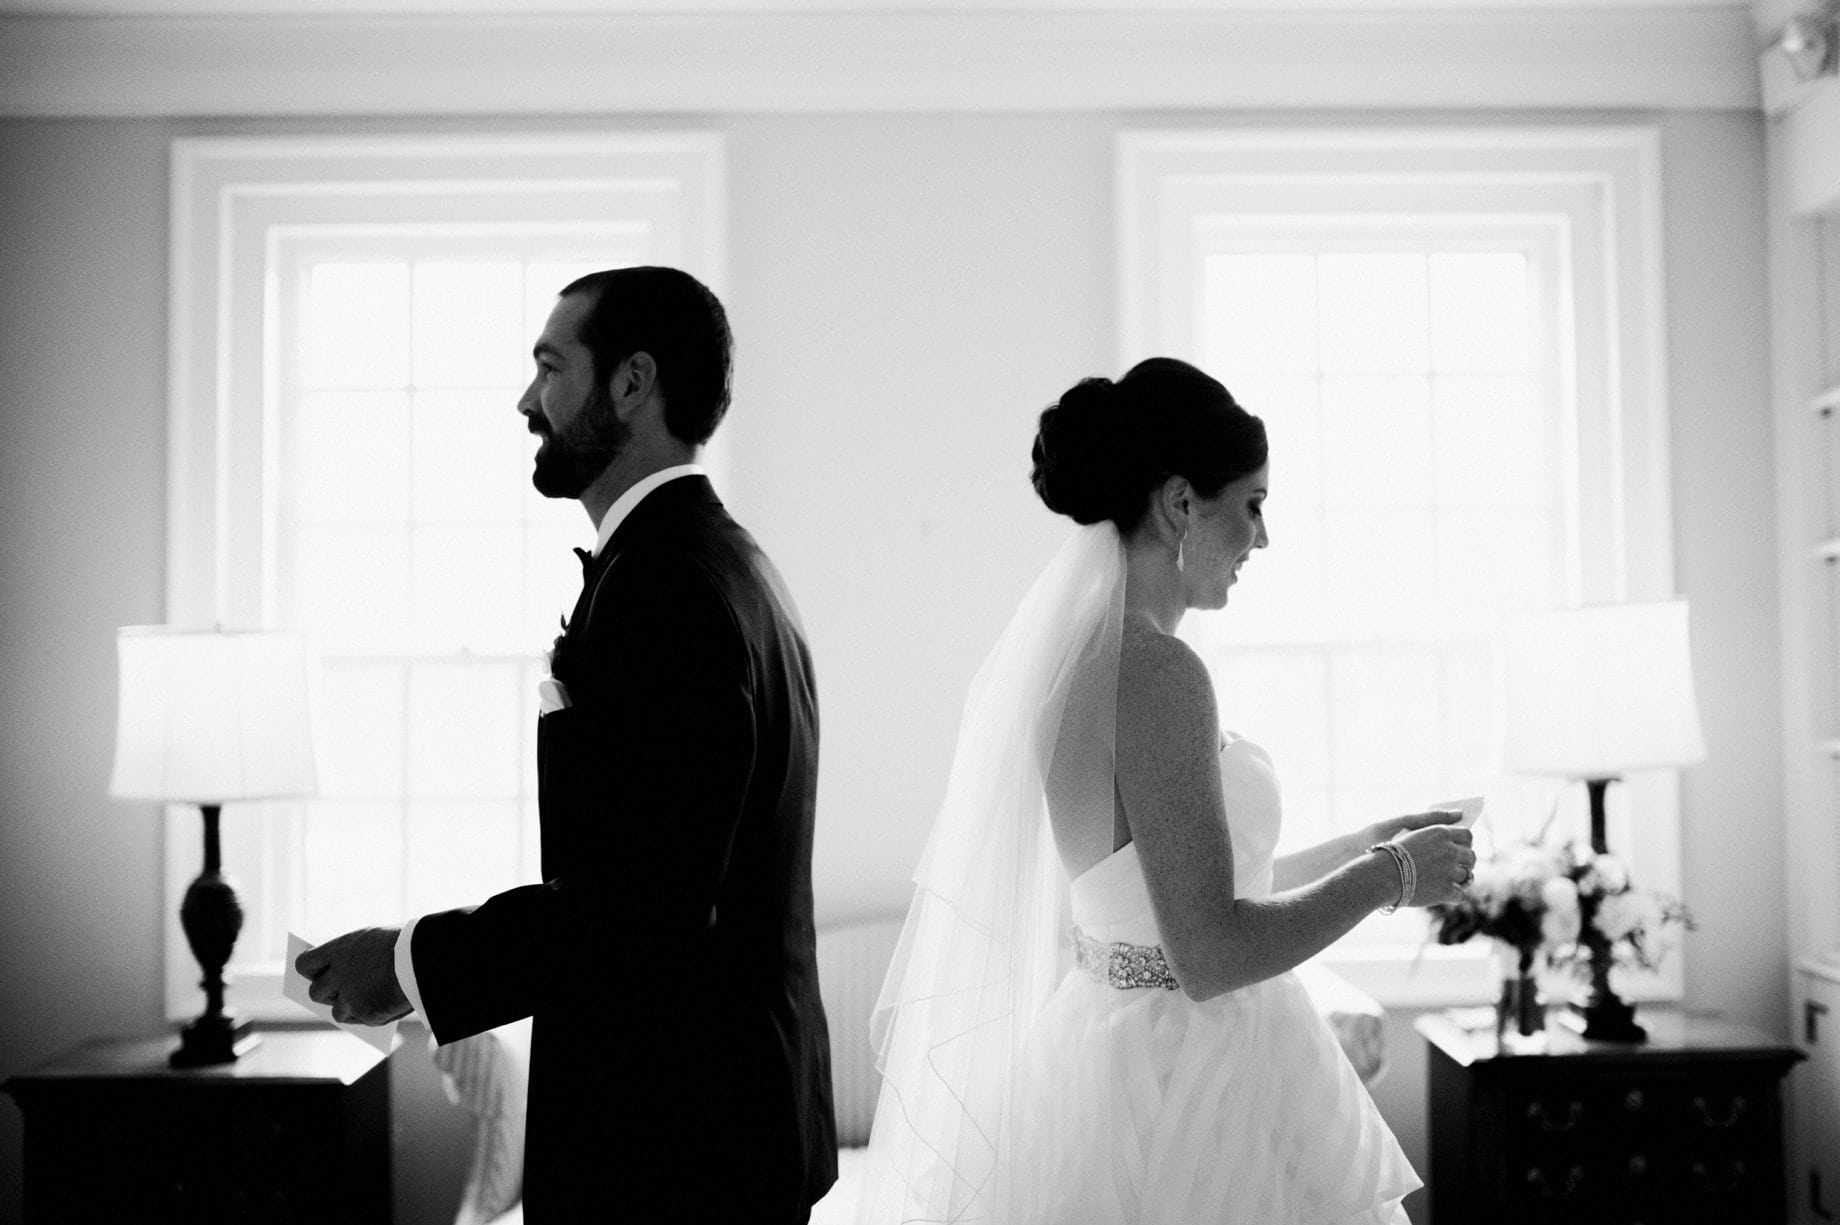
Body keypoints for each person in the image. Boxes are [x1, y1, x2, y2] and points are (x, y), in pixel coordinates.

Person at [856, 357, 1473, 1224]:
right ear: (1181, 503)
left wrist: (1368, 839)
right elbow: (1210, 951)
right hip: (1189, 1078)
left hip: (1104, 1051)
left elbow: (1175, 889)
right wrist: (1390, 876)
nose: (1263, 539)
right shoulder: (1159, 671)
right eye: (1252, 505)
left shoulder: (1083, 658)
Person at [297, 266, 838, 1223]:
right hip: (729, 1128)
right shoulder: (730, 563)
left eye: (551, 367)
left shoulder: (667, 587)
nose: (526, 400)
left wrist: (411, 960)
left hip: (674, 1151)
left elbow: (642, 903)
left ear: (632, 383)